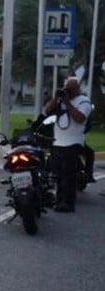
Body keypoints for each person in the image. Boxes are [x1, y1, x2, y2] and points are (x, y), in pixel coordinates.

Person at [43, 77, 92, 212]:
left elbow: (79, 118)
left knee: (68, 175)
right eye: (66, 87)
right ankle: (59, 201)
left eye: (71, 88)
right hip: (58, 142)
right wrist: (56, 98)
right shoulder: (60, 101)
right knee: (58, 175)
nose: (68, 90)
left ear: (77, 89)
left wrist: (67, 102)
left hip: (73, 143)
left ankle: (68, 203)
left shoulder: (84, 101)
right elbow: (47, 111)